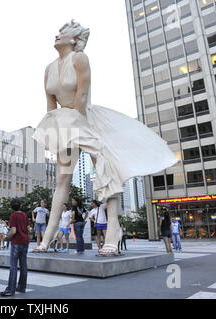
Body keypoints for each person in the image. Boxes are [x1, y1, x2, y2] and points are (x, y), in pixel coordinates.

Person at [30, 20, 178, 254]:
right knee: (61, 181)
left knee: (105, 170)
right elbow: (51, 107)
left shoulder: (79, 59)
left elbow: (82, 96)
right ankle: (47, 237)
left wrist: (75, 129)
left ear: (74, 40)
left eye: (63, 32)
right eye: (58, 32)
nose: (57, 34)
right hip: (64, 124)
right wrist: (57, 133)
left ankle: (114, 230)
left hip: (85, 120)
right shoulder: (48, 68)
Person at [0, 198, 32, 297]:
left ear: (11, 207)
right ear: (20, 206)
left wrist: (6, 238)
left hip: (16, 242)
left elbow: (13, 231)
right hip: (25, 241)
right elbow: (28, 229)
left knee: (13, 266)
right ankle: (22, 287)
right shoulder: (24, 215)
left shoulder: (13, 216)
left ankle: (10, 289)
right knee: (23, 265)